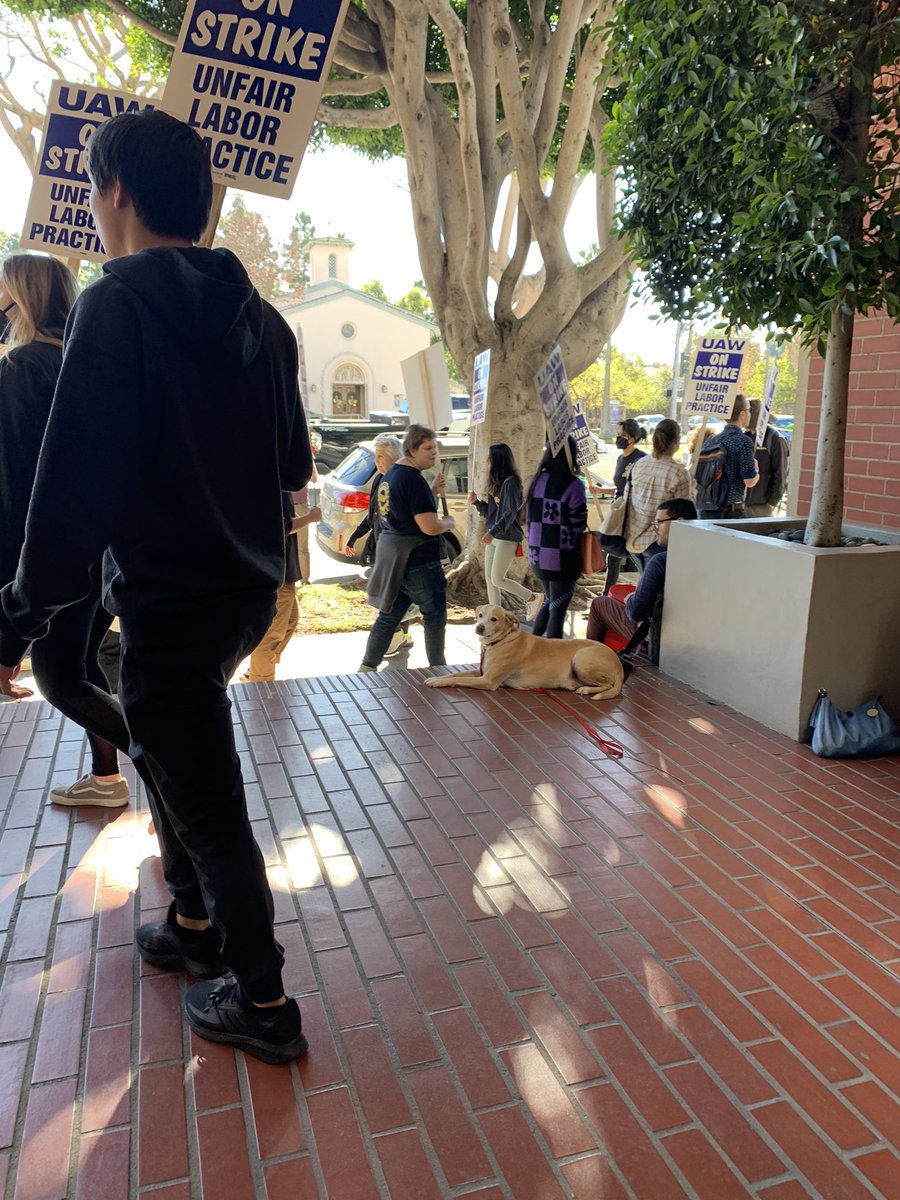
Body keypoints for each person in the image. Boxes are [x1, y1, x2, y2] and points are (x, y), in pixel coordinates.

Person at [0, 110, 312, 1064]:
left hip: (169, 602)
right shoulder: (266, 322)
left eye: (96, 193)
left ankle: (263, 1003)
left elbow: (76, 485)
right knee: (176, 758)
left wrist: (19, 611)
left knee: (207, 796)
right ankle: (192, 924)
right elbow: (293, 466)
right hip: (242, 596)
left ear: (118, 193)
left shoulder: (117, 304)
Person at [0, 253, 143, 806]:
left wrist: (16, 592)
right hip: (101, 552)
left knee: (58, 677)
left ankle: (165, 767)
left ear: (22, 298)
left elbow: (18, 486)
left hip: (49, 553)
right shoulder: (82, 363)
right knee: (79, 666)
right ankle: (110, 778)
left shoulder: (20, 369)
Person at [360, 423, 454, 671]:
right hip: (419, 561)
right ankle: (438, 668)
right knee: (434, 617)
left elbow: (403, 513)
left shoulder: (390, 475)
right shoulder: (412, 479)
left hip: (395, 561)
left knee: (388, 616)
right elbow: (429, 526)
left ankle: (367, 667)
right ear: (412, 450)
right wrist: (448, 522)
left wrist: (431, 492)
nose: (434, 453)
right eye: (428, 448)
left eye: (435, 447)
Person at [587, 498, 698, 650]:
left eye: (659, 522)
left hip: (658, 639)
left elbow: (636, 613)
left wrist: (631, 599)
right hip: (693, 637)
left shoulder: (660, 562)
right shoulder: (702, 556)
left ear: (679, 522)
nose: (655, 528)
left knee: (600, 604)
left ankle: (591, 659)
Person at [344, 432, 413, 657]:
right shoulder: (379, 480)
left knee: (391, 596)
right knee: (393, 594)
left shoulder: (402, 481)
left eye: (380, 457)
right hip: (383, 548)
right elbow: (373, 515)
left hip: (397, 551)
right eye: (376, 456)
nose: (376, 462)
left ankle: (393, 639)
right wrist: (355, 536)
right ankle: (402, 635)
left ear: (394, 457)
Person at [241, 494, 321, 683]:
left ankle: (256, 671)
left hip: (284, 573)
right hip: (278, 576)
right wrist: (310, 517)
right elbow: (281, 528)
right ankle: (261, 684)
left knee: (290, 623)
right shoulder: (276, 488)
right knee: (272, 636)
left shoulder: (277, 486)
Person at [525, 437, 587, 639]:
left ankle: (531, 645)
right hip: (562, 557)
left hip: (537, 555)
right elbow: (578, 523)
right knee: (558, 610)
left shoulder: (536, 480)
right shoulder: (574, 484)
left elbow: (527, 516)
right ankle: (552, 658)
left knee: (551, 602)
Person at [469, 443, 541, 612]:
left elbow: (508, 513)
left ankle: (532, 597)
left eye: (489, 457)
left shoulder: (512, 483)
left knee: (497, 579)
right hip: (495, 536)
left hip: (506, 537)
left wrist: (492, 532)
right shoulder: (496, 483)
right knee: (489, 577)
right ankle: (495, 613)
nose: (486, 461)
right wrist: (476, 502)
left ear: (497, 460)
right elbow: (491, 513)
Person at [625, 419, 691, 569]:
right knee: (659, 591)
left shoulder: (638, 464)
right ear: (676, 440)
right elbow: (684, 517)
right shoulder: (679, 473)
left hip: (633, 539)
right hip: (658, 543)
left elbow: (626, 498)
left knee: (645, 586)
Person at [695, 393, 760, 518]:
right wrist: (756, 471)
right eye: (749, 410)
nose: (750, 414)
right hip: (730, 511)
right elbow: (750, 481)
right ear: (742, 414)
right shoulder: (743, 441)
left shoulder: (712, 440)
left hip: (707, 508)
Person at [602, 419, 648, 594]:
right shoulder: (621, 458)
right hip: (619, 513)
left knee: (635, 555)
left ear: (633, 438)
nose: (618, 438)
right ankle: (607, 594)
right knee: (613, 555)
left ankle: (642, 594)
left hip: (634, 514)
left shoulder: (642, 459)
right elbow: (620, 487)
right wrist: (600, 490)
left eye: (622, 435)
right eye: (618, 434)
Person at [745, 398, 789, 517]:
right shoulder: (745, 437)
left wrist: (771, 503)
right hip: (743, 503)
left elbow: (780, 473)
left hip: (761, 506)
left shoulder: (774, 439)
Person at [293, 449, 318, 583]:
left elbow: (314, 479)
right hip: (299, 504)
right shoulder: (305, 455)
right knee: (302, 546)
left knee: (294, 545)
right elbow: (314, 478)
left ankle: (299, 580)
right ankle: (304, 580)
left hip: (289, 503)